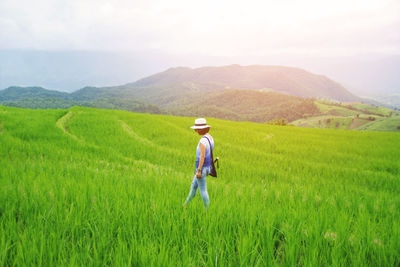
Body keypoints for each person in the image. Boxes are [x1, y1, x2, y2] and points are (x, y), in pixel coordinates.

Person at [184, 118, 214, 209]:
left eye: (197, 129)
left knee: (203, 191)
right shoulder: (210, 137)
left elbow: (202, 156)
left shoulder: (202, 141)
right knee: (193, 186)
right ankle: (185, 205)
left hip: (202, 168)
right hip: (207, 167)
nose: (195, 131)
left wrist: (199, 170)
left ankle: (207, 210)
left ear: (201, 129)